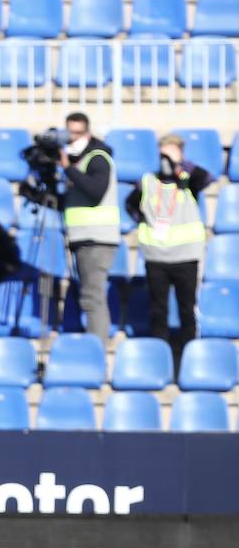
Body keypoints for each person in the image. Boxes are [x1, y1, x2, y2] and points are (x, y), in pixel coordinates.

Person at [125, 134, 211, 366]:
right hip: (156, 257)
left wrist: (181, 165)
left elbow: (206, 179)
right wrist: (145, 221)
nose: (165, 158)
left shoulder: (187, 180)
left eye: (170, 152)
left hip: (186, 256)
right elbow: (131, 204)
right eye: (162, 152)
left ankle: (188, 360)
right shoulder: (148, 181)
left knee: (186, 311)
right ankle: (159, 361)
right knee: (157, 311)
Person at [59, 112, 121, 346]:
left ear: (87, 133)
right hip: (82, 237)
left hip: (97, 239)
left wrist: (68, 169)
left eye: (76, 133)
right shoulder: (77, 161)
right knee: (88, 296)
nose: (71, 139)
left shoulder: (97, 157)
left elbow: (95, 192)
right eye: (69, 133)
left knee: (92, 298)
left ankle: (97, 350)